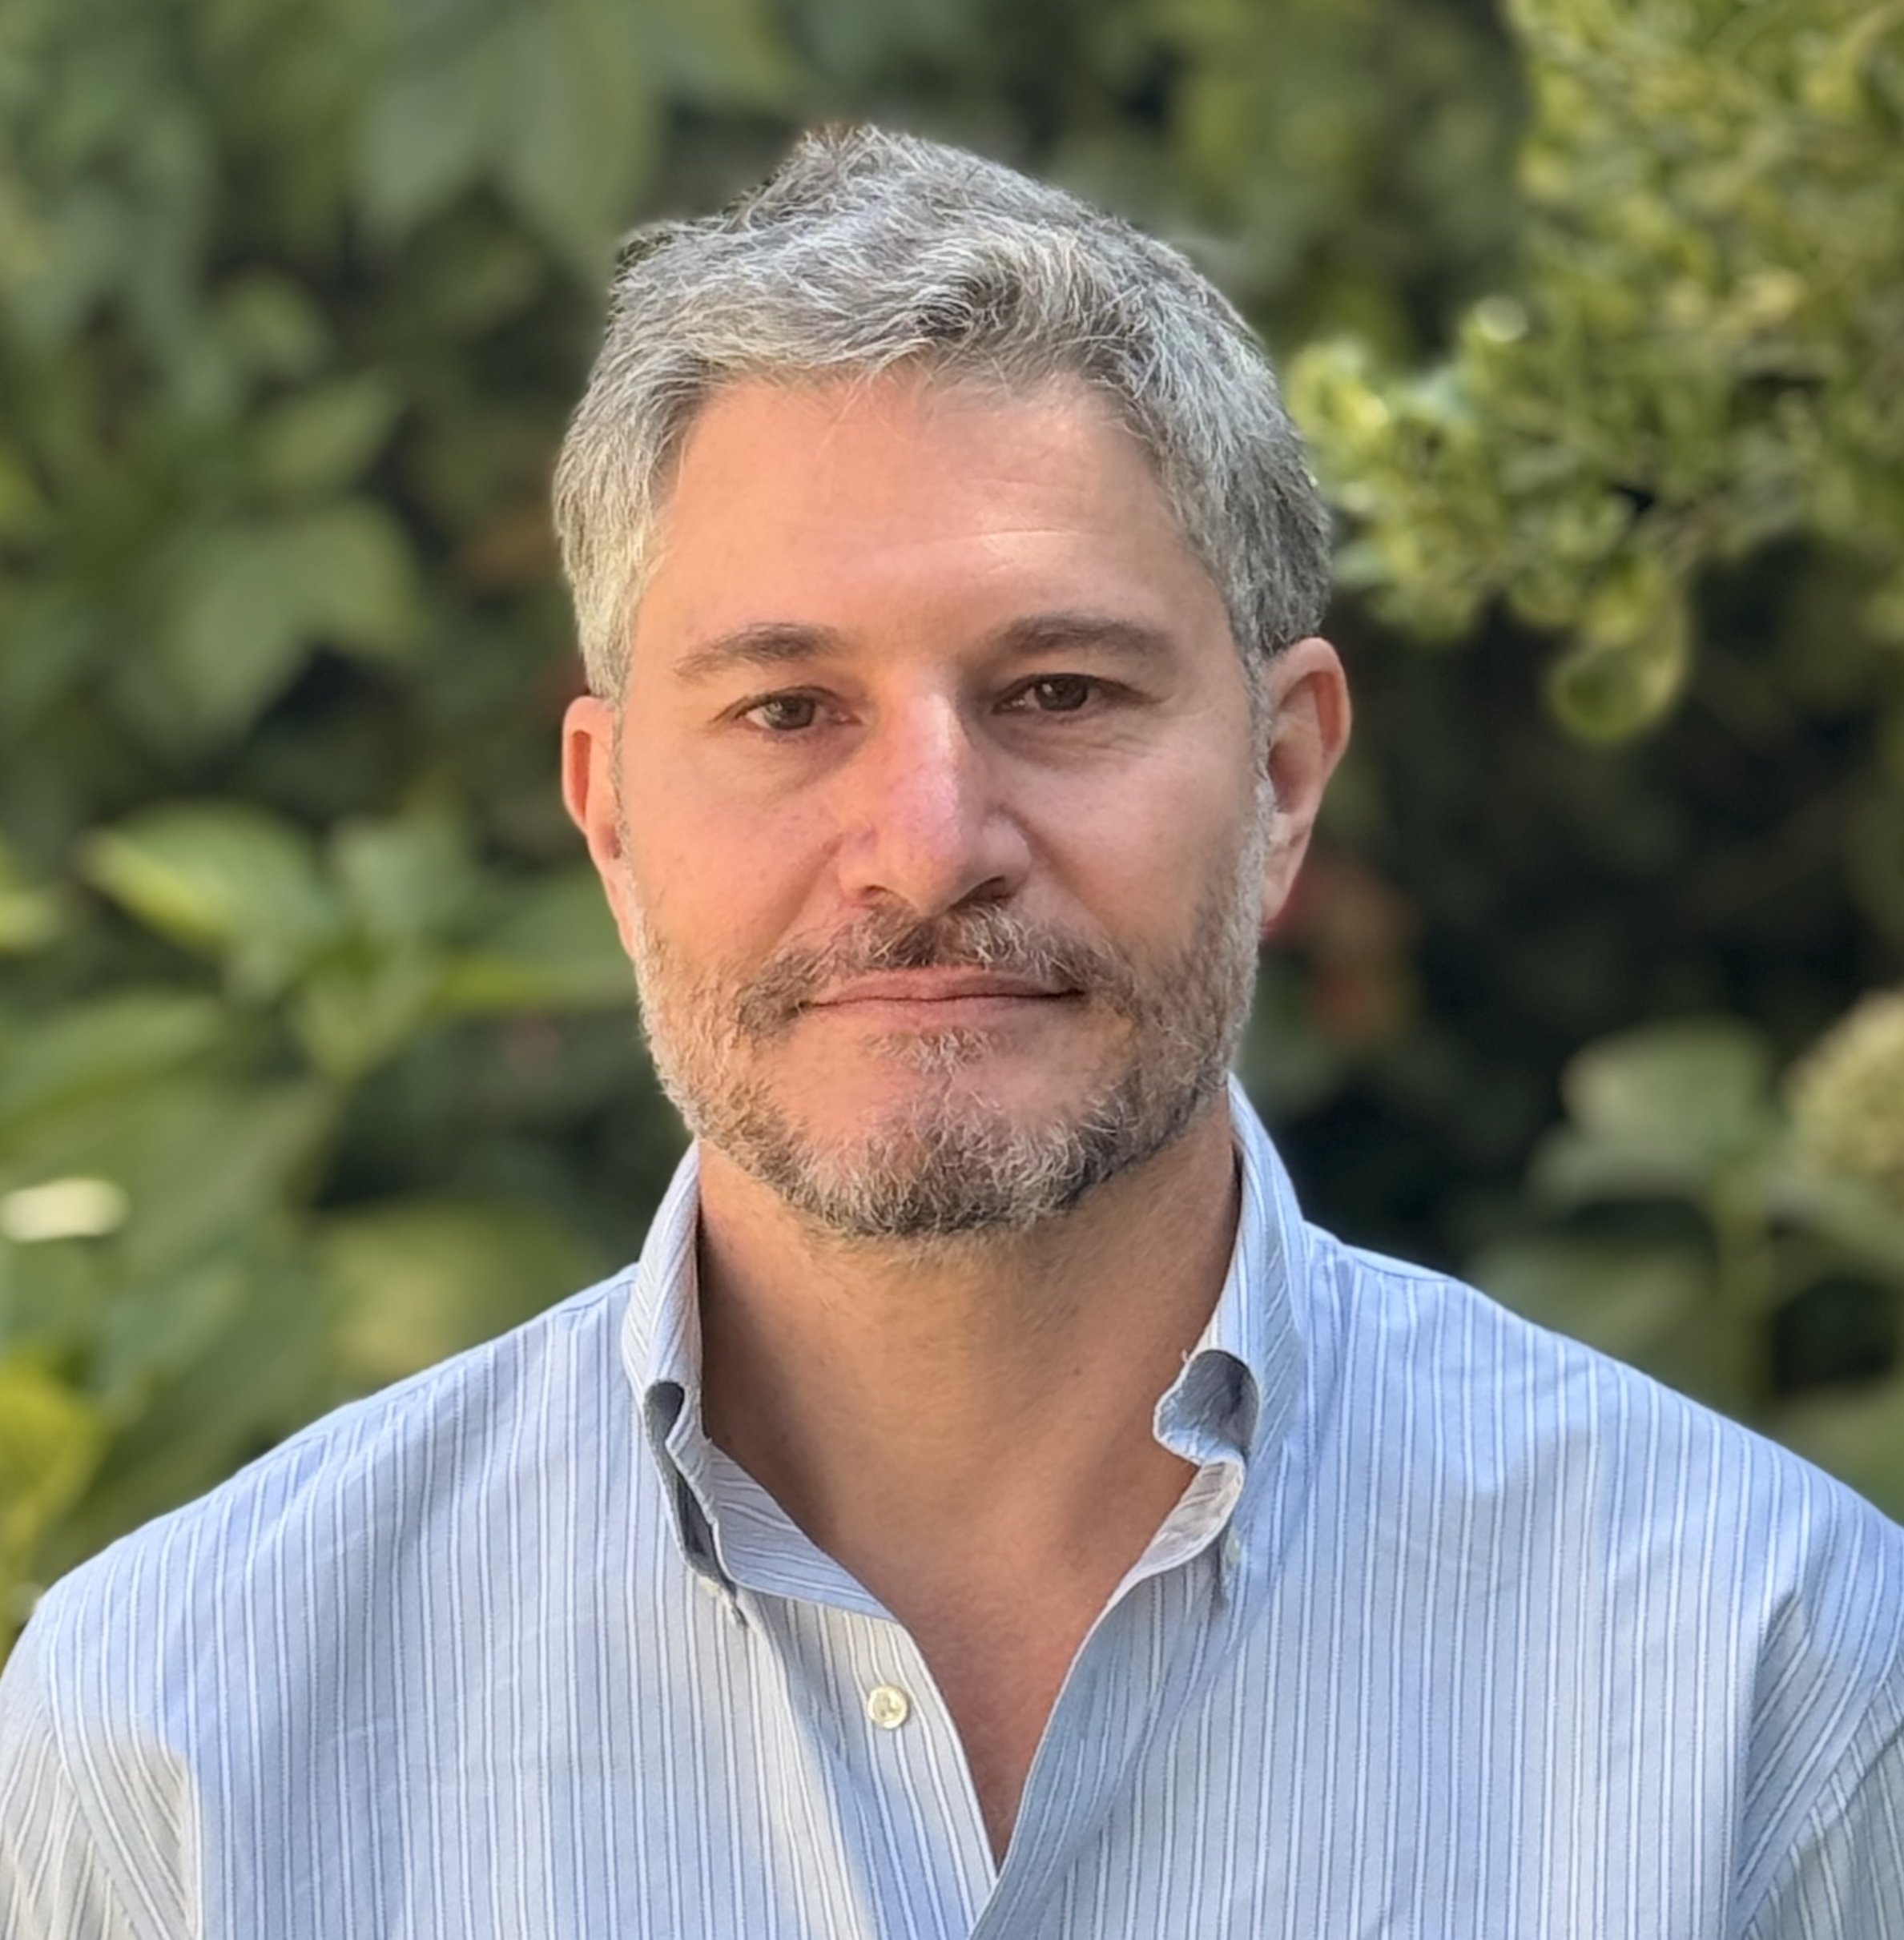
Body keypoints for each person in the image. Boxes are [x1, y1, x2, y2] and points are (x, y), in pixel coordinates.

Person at [2, 125, 1900, 1940]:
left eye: (1058, 691)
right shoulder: (179, 1734)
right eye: (785, 710)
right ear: (609, 814)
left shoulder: (1772, 1681)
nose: (926, 845)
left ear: (1282, 776)